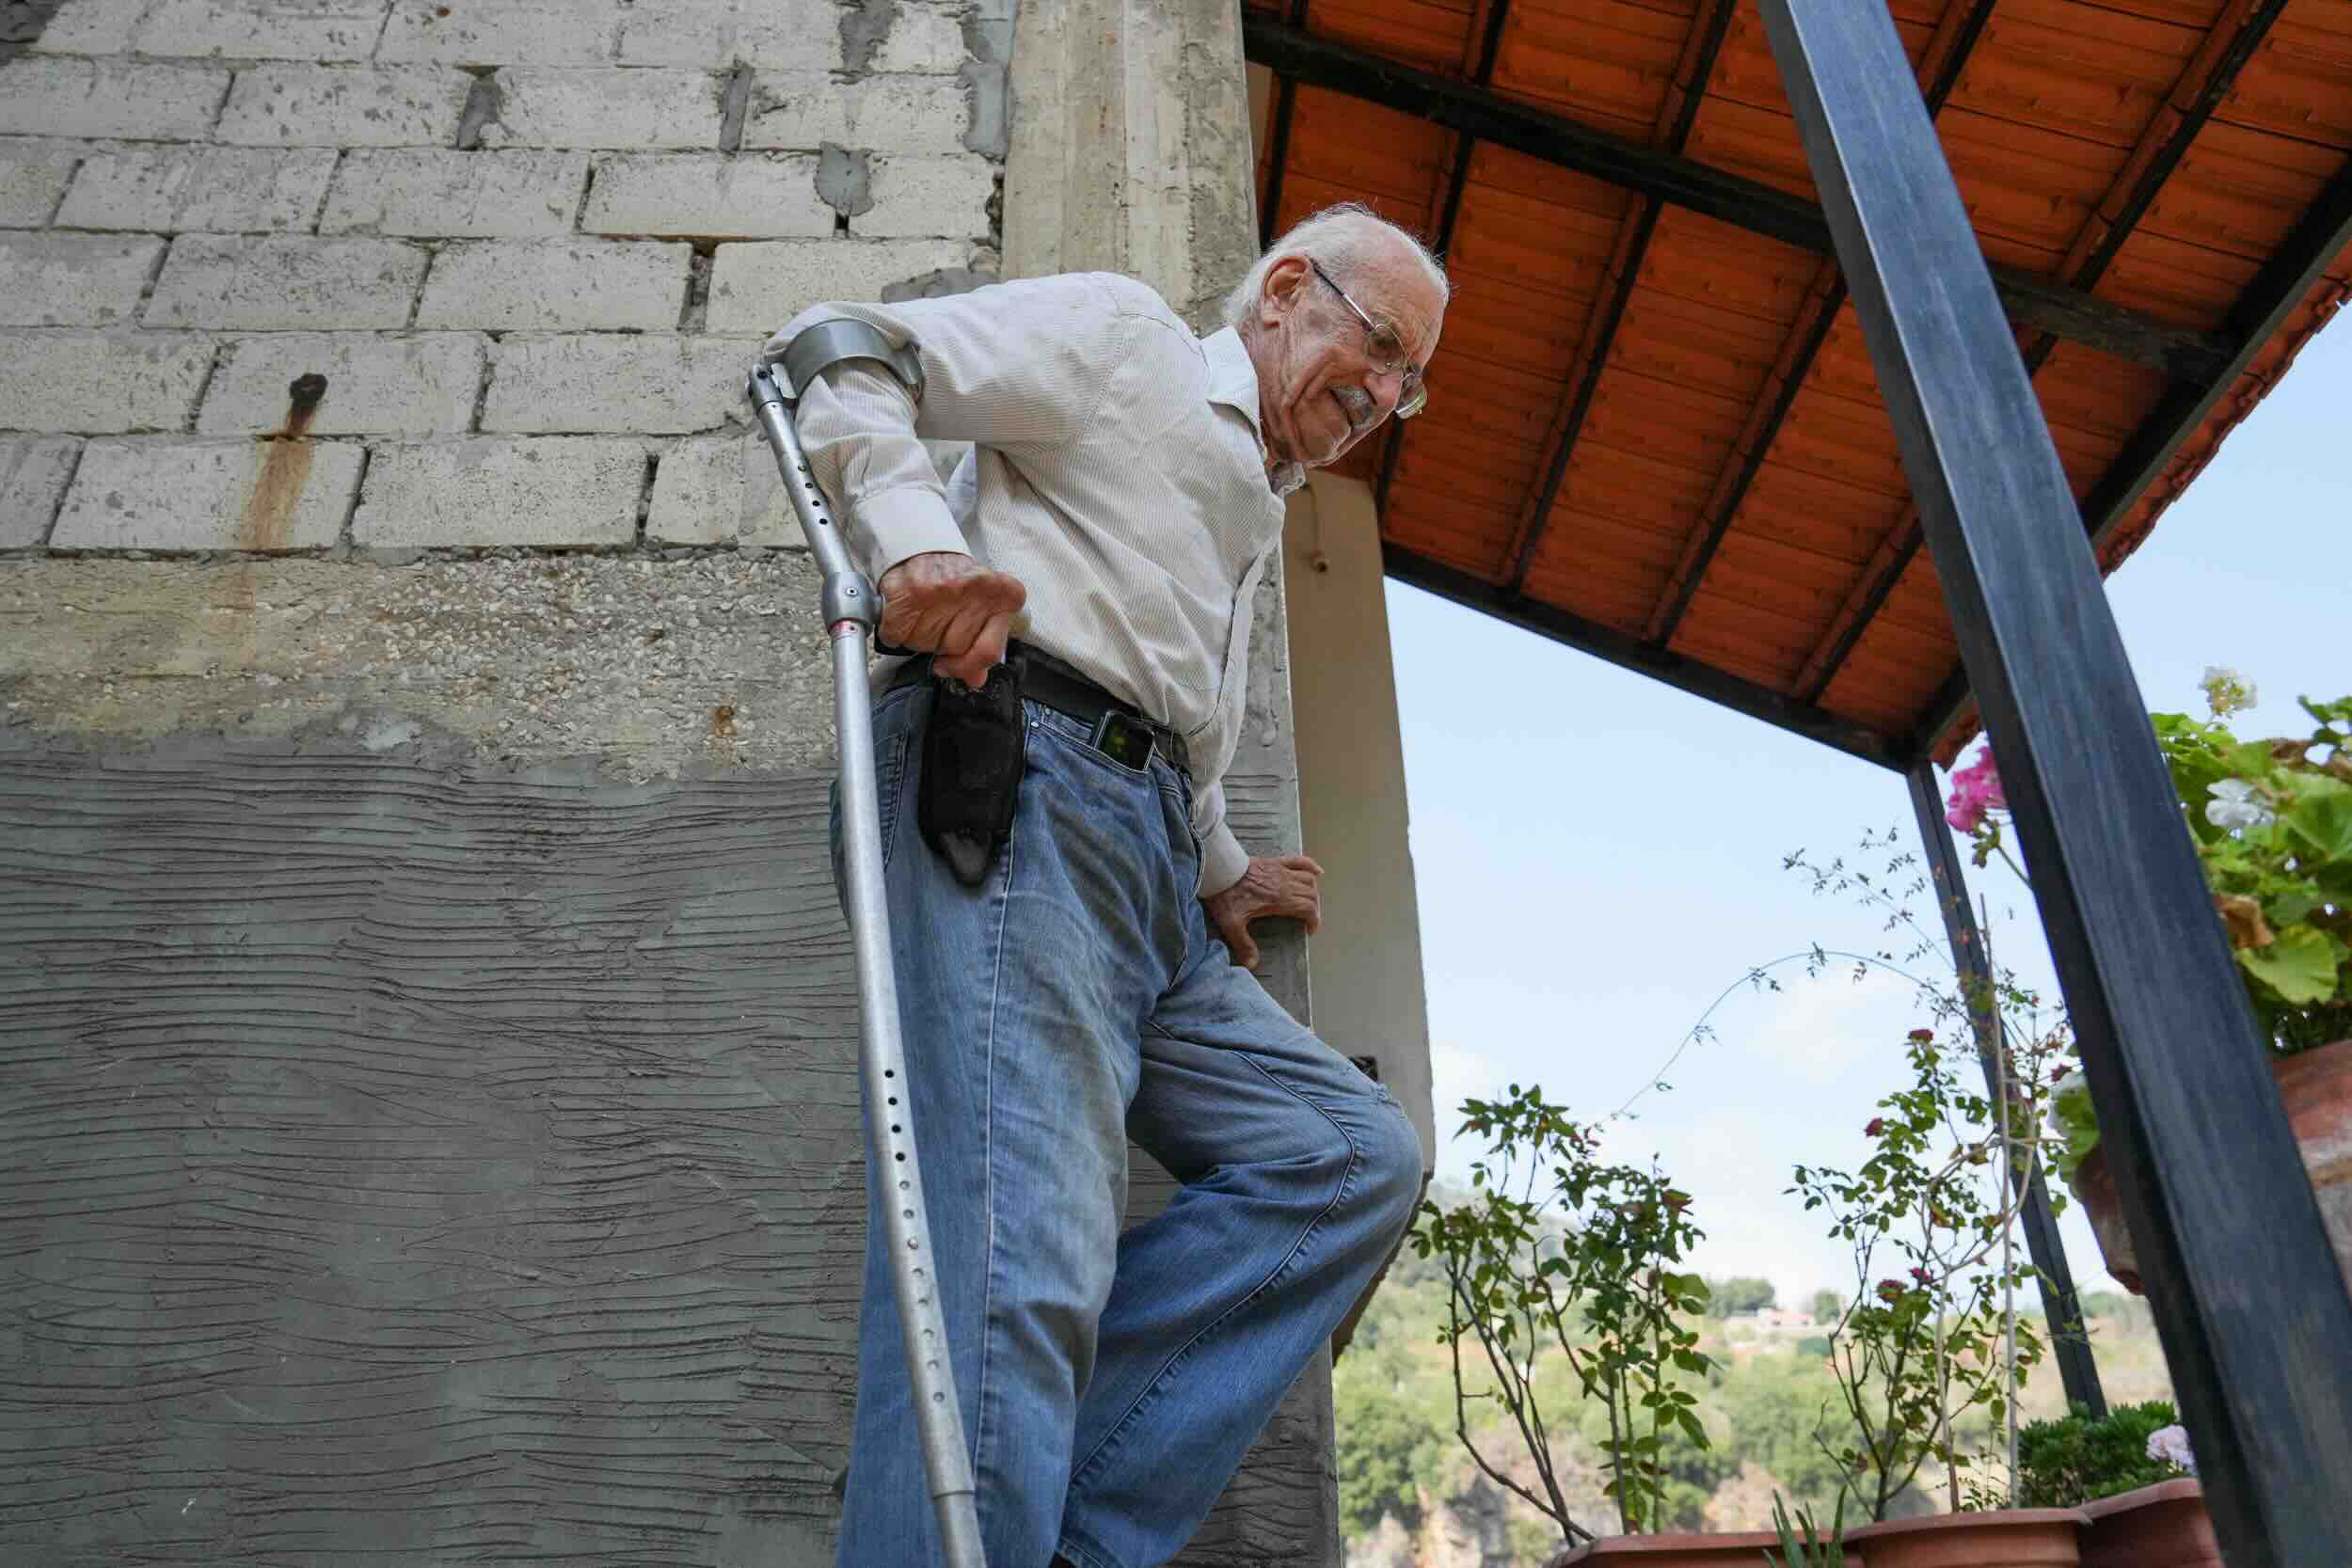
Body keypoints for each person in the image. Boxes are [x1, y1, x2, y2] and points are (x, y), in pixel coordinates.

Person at [772, 201, 1445, 1568]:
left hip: (1138, 866)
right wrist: (915, 546)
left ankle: (1056, 1530)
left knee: (1348, 1156)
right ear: (1286, 296)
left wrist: (1218, 871)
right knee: (1015, 1261)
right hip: (1021, 789)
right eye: (1377, 348)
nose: (1382, 396)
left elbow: (1169, 707)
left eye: (1405, 382)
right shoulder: (1132, 342)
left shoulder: (1254, 492)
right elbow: (838, 353)